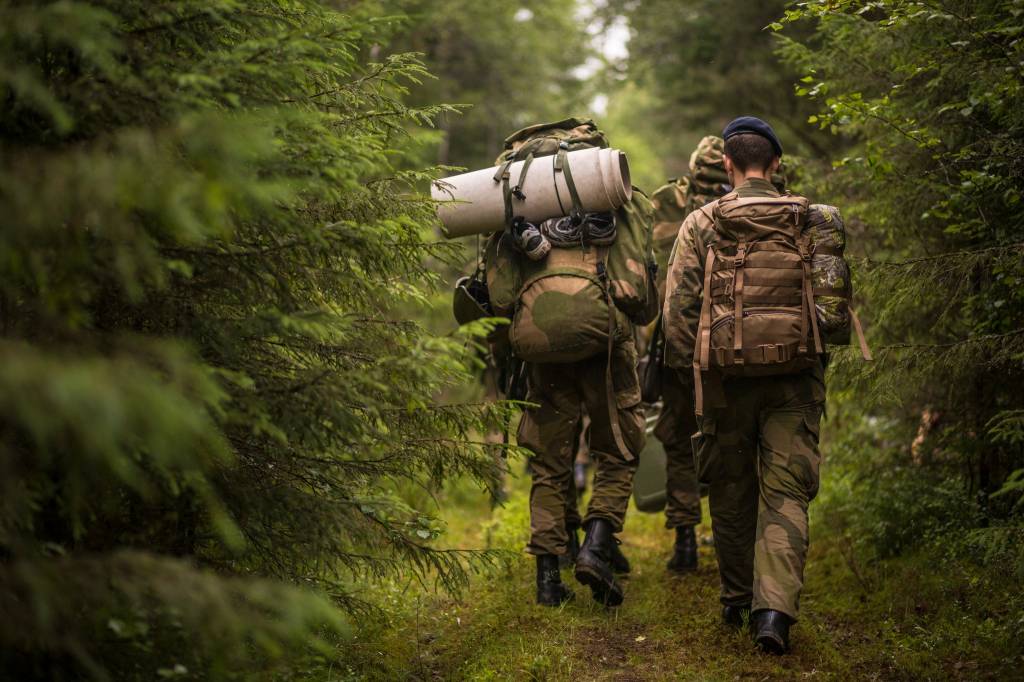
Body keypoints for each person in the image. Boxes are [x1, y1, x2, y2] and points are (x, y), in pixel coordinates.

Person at [662, 116, 826, 653]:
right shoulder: (808, 218)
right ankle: (774, 612)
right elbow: (832, 309)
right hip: (794, 381)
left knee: (731, 490)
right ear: (776, 165)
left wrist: (698, 371)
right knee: (786, 495)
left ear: (727, 165)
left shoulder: (702, 223)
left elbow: (677, 313)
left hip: (725, 380)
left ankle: (736, 598)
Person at [484, 118, 658, 608]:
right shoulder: (619, 198)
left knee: (549, 460)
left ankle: (547, 580)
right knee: (618, 448)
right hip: (605, 345)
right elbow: (638, 295)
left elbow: (498, 298)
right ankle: (598, 546)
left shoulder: (517, 202)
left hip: (541, 347)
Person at [650, 136, 732, 574]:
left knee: (681, 438)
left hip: (679, 339)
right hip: (743, 339)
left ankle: (684, 542)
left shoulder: (670, 203)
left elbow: (651, 272)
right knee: (735, 438)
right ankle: (730, 537)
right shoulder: (760, 204)